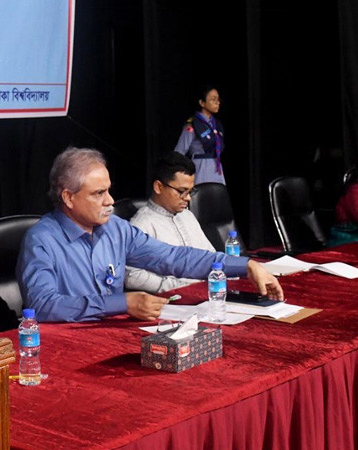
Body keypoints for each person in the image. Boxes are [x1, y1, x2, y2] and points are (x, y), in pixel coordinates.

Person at [16, 147, 282, 323]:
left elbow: (173, 257)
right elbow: (43, 306)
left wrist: (245, 266)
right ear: (68, 197)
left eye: (109, 190)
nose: (110, 201)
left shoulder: (115, 229)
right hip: (66, 347)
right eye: (98, 193)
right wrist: (120, 303)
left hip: (113, 336)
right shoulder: (41, 240)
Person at [126, 152, 213, 293]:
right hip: (174, 299)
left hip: (208, 292)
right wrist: (179, 286)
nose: (188, 198)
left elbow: (210, 255)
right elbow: (132, 275)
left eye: (190, 191)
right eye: (182, 191)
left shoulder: (187, 215)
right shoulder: (141, 224)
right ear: (158, 187)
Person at [174, 85, 225, 185]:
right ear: (202, 103)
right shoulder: (193, 124)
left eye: (218, 99)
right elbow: (179, 153)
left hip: (217, 171)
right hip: (200, 170)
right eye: (213, 99)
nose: (217, 102)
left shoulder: (217, 124)